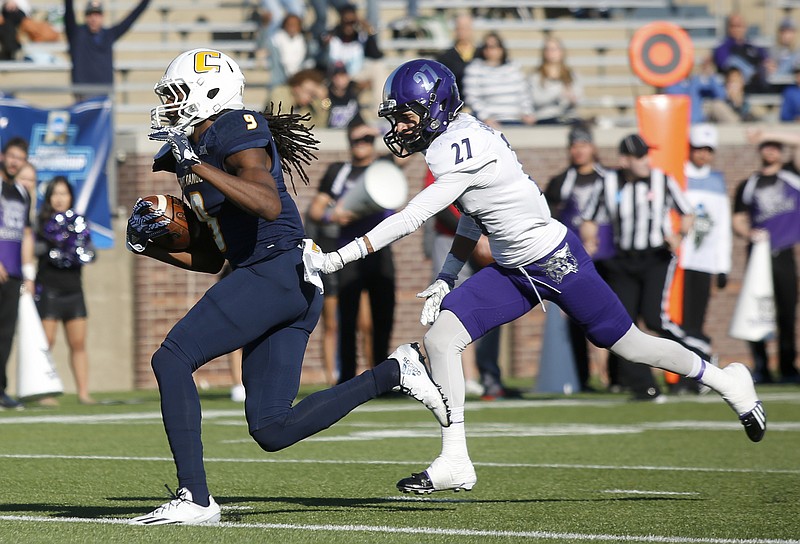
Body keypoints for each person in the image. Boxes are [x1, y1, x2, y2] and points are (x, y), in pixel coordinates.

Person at [311, 59, 766, 494]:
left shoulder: (457, 146)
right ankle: (455, 459)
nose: (400, 128)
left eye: (407, 116)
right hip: (513, 270)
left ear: (433, 108)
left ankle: (728, 382)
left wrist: (336, 258)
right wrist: (448, 275)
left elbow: (412, 217)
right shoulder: (457, 138)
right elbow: (475, 212)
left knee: (628, 343)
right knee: (440, 338)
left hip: (553, 260)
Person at [126, 49, 448, 525]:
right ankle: (395, 372)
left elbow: (267, 203)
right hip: (282, 278)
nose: (170, 106)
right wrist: (151, 246)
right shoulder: (189, 154)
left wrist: (200, 166)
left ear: (210, 92)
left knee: (171, 358)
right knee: (272, 428)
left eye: (176, 95)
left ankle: (194, 497)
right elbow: (216, 255)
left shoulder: (234, 127)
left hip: (277, 271)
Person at [582, 134, 697, 400]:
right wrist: (590, 240)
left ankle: (699, 358)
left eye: (647, 154)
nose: (646, 161)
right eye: (640, 156)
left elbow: (688, 213)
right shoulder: (608, 182)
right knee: (623, 323)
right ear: (624, 160)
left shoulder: (662, 180)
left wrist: (679, 236)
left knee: (655, 318)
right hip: (623, 260)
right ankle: (643, 385)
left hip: (656, 256)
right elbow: (589, 217)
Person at [307, 116, 398, 384]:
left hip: (380, 251)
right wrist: (333, 217)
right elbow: (316, 210)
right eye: (358, 139)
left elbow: (406, 151)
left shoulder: (384, 166)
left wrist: (380, 130)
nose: (363, 144)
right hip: (349, 252)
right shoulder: (339, 171)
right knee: (347, 317)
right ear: (349, 142)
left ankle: (381, 377)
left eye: (368, 140)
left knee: (383, 315)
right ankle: (346, 378)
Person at [544, 124, 610, 392]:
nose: (578, 150)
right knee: (576, 318)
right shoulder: (561, 182)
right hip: (571, 259)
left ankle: (610, 375)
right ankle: (582, 376)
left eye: (583, 145)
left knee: (608, 314)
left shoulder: (607, 178)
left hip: (605, 256)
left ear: (592, 147)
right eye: (574, 145)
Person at [732, 129, 800, 384]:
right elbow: (738, 219)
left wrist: (768, 134)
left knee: (786, 311)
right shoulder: (749, 184)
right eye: (765, 146)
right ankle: (761, 366)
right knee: (756, 308)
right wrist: (748, 232)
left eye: (774, 146)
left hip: (783, 253)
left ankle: (788, 367)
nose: (770, 150)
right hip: (758, 256)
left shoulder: (792, 175)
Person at [34, 176, 97, 405]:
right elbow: (36, 250)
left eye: (64, 193)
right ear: (49, 197)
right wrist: (52, 243)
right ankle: (44, 393)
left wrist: (75, 247)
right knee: (46, 343)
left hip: (73, 290)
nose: (60, 198)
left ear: (71, 196)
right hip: (49, 289)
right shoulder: (41, 224)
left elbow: (91, 253)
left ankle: (83, 393)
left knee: (78, 344)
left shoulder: (78, 223)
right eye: (55, 193)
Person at [678, 125, 731, 366]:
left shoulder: (717, 181)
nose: (703, 154)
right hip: (679, 260)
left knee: (695, 320)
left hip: (704, 261)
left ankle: (697, 367)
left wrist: (723, 266)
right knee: (676, 319)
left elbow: (722, 227)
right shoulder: (678, 175)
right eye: (698, 148)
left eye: (708, 150)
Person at [0, 136, 34, 410]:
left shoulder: (22, 192)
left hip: (12, 275)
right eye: (11, 156)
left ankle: (1, 390)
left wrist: (28, 272)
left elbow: (25, 233)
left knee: (5, 335)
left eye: (19, 158)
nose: (14, 162)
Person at [64, 0, 150, 100]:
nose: (93, 18)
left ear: (102, 16)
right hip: (83, 93)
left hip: (105, 93)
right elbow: (69, 12)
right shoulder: (77, 34)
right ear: (85, 17)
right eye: (90, 14)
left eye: (97, 14)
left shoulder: (109, 35)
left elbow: (131, 18)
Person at [462, 32, 535, 128]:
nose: (490, 50)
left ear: (502, 49)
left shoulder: (514, 68)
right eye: (487, 47)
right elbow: (471, 98)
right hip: (489, 123)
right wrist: (485, 118)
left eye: (494, 46)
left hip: (516, 120)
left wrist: (527, 113)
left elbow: (524, 94)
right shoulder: (475, 69)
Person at [713, 12, 772, 94]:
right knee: (733, 61)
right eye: (733, 26)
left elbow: (766, 59)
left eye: (739, 26)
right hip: (734, 86)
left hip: (755, 84)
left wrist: (768, 64)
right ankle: (752, 73)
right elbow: (725, 65)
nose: (737, 29)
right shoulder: (723, 47)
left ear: (745, 27)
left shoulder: (752, 46)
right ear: (728, 28)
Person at [530, 36, 583, 125]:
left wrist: (572, 98)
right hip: (545, 118)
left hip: (568, 117)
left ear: (561, 52)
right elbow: (536, 100)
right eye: (548, 49)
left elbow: (580, 99)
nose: (551, 53)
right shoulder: (536, 75)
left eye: (554, 49)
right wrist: (557, 92)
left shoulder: (571, 74)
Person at [435, 12, 476, 96]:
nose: (462, 31)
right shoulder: (445, 58)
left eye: (465, 28)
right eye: (459, 28)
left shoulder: (481, 54)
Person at [325, 61, 361, 129]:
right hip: (329, 135)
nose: (340, 79)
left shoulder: (355, 92)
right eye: (336, 76)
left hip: (350, 134)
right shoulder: (325, 95)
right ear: (331, 78)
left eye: (343, 75)